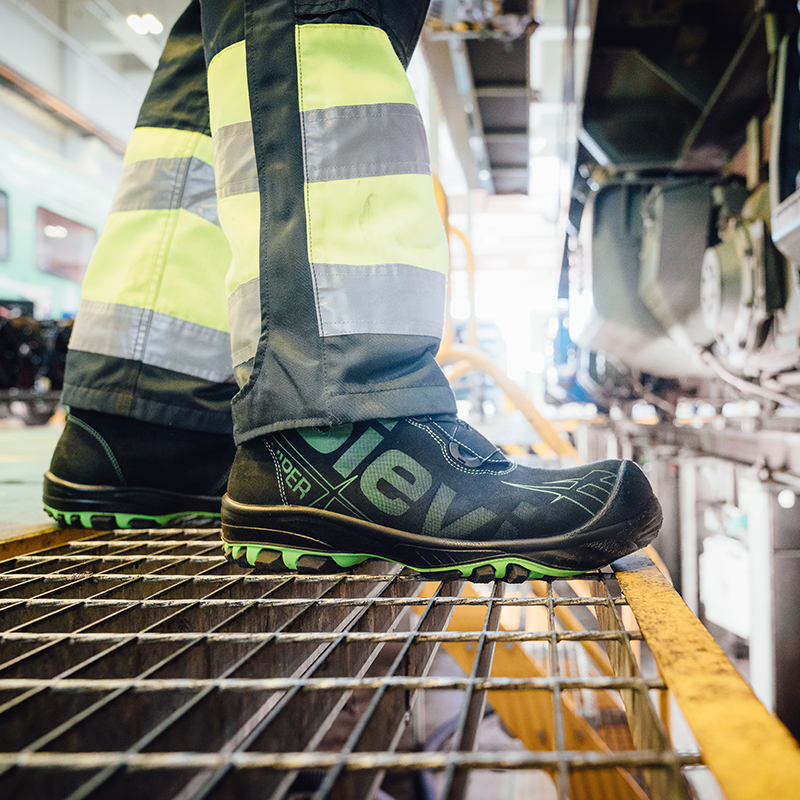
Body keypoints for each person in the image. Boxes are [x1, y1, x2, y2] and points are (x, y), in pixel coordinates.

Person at [42, 0, 661, 582]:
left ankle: (149, 411)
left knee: (226, 44)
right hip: (332, 416)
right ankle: (337, 411)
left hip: (153, 427)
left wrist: (161, 411)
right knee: (315, 16)